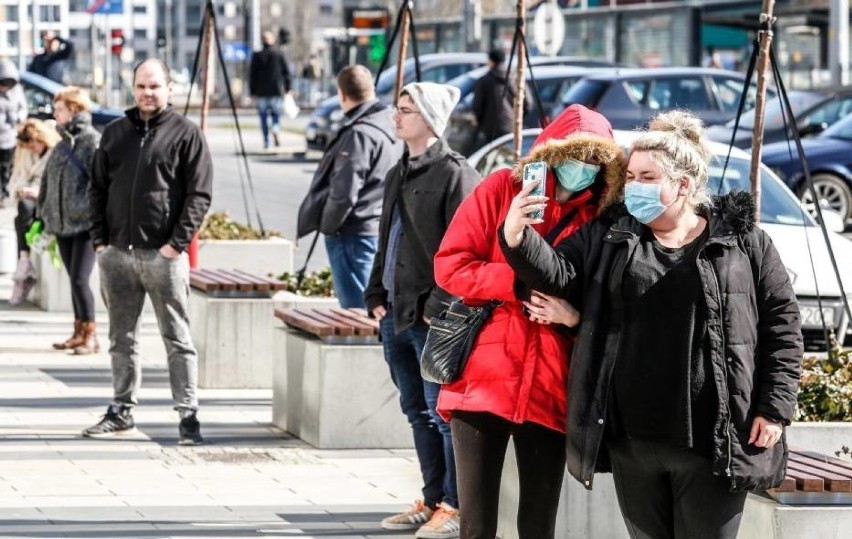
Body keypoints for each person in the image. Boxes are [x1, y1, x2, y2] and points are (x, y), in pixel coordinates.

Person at [500, 111, 803, 539]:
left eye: (646, 177)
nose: (632, 187)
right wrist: (517, 235)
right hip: (633, 443)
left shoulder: (743, 242)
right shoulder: (612, 234)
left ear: (682, 184)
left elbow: (783, 328)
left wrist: (774, 409)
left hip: (712, 444)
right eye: (630, 177)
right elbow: (557, 272)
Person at [433, 104, 625, 539]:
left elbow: (605, 297)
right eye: (577, 155)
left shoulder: (598, 218)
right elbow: (450, 266)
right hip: (482, 380)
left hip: (552, 386)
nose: (585, 168)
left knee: (538, 525)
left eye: (597, 160)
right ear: (553, 152)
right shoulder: (503, 189)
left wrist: (572, 315)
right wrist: (513, 283)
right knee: (476, 525)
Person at [364, 82, 479, 539]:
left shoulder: (455, 173)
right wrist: (374, 292)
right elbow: (385, 238)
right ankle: (431, 498)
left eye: (406, 110)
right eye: (397, 108)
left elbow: (469, 247)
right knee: (415, 409)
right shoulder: (398, 170)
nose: (396, 116)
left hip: (432, 317)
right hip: (393, 311)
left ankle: (453, 505)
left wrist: (438, 305)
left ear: (430, 118)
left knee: (442, 413)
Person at [86, 59, 213, 445]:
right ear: (133, 88)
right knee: (121, 338)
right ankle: (121, 410)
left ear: (169, 89)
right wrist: (100, 241)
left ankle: (188, 415)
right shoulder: (115, 133)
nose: (147, 93)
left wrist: (175, 245)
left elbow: (199, 195)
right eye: (141, 86)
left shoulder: (186, 134)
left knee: (177, 338)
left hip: (163, 257)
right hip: (117, 256)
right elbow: (96, 189)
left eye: (155, 86)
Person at [297, 65, 403, 309]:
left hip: (352, 231)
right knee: (373, 306)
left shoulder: (359, 133)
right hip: (377, 224)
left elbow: (344, 193)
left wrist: (329, 227)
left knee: (357, 310)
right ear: (372, 90)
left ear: (342, 94)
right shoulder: (391, 123)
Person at [37, 88, 101, 355]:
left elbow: (99, 183)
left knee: (80, 279)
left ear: (74, 110)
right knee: (72, 278)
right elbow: (48, 181)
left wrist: (86, 210)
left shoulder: (91, 141)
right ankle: (78, 330)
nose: (55, 114)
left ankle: (91, 335)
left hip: (84, 223)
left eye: (59, 109)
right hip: (62, 222)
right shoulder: (61, 144)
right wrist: (44, 209)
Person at [8, 120, 62, 305]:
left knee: (21, 216)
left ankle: (23, 265)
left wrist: (39, 191)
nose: (33, 149)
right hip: (31, 202)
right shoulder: (24, 154)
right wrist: (23, 189)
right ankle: (24, 262)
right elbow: (17, 178)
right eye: (29, 146)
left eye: (34, 144)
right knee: (22, 210)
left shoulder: (56, 151)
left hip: (51, 202)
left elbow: (60, 183)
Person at [470, 48, 528, 152]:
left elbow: (477, 107)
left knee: (493, 161)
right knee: (512, 160)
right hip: (513, 128)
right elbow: (528, 103)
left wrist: (481, 122)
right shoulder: (516, 78)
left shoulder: (484, 81)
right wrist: (517, 117)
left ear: (491, 61)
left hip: (491, 130)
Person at [248, 30, 291, 149]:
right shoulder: (279, 54)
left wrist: (252, 91)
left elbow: (252, 75)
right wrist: (288, 88)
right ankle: (276, 128)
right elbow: (286, 72)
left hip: (261, 91)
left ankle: (267, 141)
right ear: (272, 40)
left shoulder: (257, 55)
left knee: (263, 117)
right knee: (276, 113)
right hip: (276, 90)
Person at [0, 59, 27, 206]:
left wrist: (18, 118)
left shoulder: (16, 91)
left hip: (10, 136)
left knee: (7, 166)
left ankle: (4, 193)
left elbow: (23, 108)